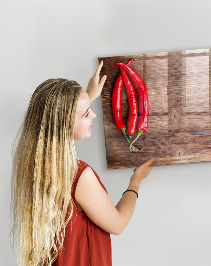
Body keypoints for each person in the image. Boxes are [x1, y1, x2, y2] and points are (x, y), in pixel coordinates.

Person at [11, 62, 155, 266]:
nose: (93, 115)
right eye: (86, 113)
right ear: (65, 124)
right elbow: (118, 224)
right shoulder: (79, 176)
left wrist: (87, 96)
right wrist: (135, 181)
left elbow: (59, 118)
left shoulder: (34, 164)